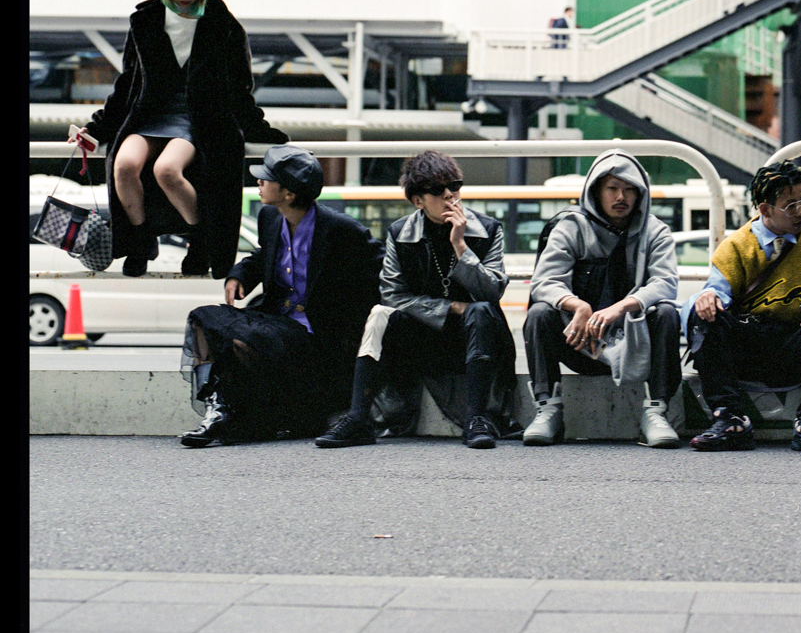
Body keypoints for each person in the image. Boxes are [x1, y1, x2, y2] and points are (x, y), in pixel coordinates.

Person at [70, 0, 288, 278]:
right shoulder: (146, 20)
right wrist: (96, 129)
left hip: (196, 118)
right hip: (147, 115)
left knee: (167, 171)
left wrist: (259, 130)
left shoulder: (221, 21)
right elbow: (127, 82)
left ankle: (201, 240)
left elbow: (239, 87)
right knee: (124, 166)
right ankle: (141, 242)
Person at [180, 146, 383, 447]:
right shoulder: (269, 217)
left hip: (316, 337)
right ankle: (219, 408)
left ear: (289, 194)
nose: (258, 183)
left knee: (240, 341)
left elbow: (381, 267)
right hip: (275, 320)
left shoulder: (341, 230)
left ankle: (227, 415)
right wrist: (240, 274)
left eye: (266, 179)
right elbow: (265, 254)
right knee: (204, 318)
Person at [315, 151, 518, 450]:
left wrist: (461, 244)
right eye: (438, 189)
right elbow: (392, 294)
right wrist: (448, 307)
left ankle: (478, 419)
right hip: (424, 339)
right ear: (418, 201)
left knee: (481, 310)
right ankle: (359, 418)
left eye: (455, 186)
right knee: (380, 313)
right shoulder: (400, 233)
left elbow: (492, 291)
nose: (450, 195)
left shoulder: (487, 230)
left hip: (478, 341)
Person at [682, 159, 801, 455]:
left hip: (797, 342)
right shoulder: (735, 247)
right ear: (764, 210)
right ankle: (730, 418)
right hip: (748, 346)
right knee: (702, 313)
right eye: (791, 205)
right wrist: (707, 298)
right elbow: (716, 291)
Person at [522, 149, 682, 449]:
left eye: (629, 189)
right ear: (596, 190)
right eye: (612, 188)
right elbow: (544, 281)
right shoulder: (570, 226)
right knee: (540, 313)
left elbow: (666, 283)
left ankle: (657, 411)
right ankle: (549, 409)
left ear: (640, 193)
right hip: (578, 340)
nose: (620, 197)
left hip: (634, 342)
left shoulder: (655, 230)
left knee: (666, 313)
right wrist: (576, 306)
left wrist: (621, 307)